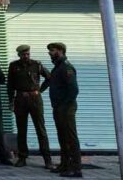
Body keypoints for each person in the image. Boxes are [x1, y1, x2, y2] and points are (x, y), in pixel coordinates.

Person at [7, 44, 53, 169]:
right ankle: (22, 157)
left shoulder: (36, 64)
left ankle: (47, 159)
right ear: (19, 55)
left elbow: (49, 77)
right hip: (20, 99)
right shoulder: (13, 66)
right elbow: (10, 85)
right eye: (23, 54)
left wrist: (40, 90)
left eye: (28, 54)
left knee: (40, 129)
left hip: (35, 99)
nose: (26, 56)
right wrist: (11, 101)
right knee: (21, 130)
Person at [47, 42, 82, 178]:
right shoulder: (58, 67)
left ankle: (76, 168)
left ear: (60, 51)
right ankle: (65, 164)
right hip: (59, 107)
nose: (50, 53)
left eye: (52, 50)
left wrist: (64, 105)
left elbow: (74, 90)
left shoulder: (66, 67)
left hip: (66, 108)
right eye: (49, 51)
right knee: (62, 136)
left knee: (70, 137)